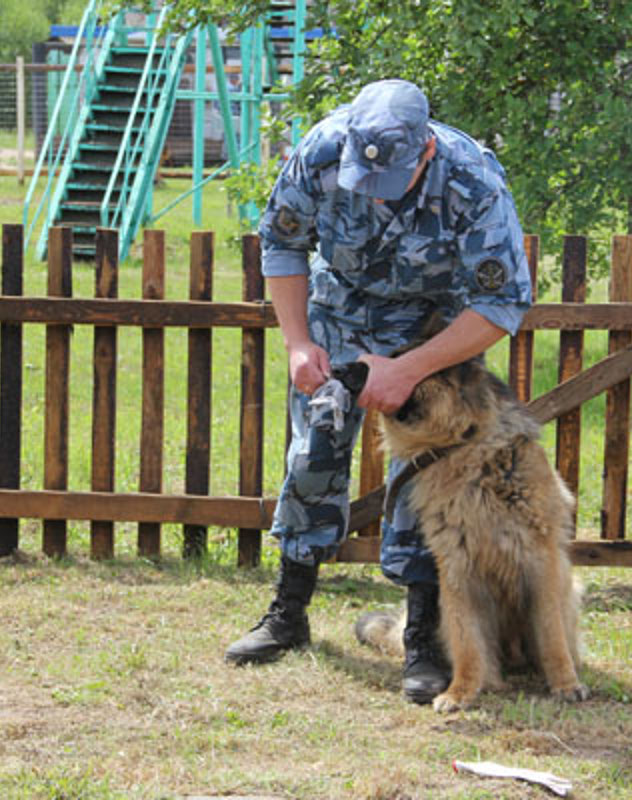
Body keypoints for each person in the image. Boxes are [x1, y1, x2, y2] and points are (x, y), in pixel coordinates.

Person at [223, 79, 532, 705]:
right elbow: (282, 244)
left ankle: (422, 638)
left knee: (429, 473)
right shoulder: (320, 151)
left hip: (433, 330)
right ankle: (289, 611)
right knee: (314, 455)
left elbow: (501, 304)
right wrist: (297, 343)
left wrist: (410, 369)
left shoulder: (472, 181)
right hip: (339, 313)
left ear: (423, 154)